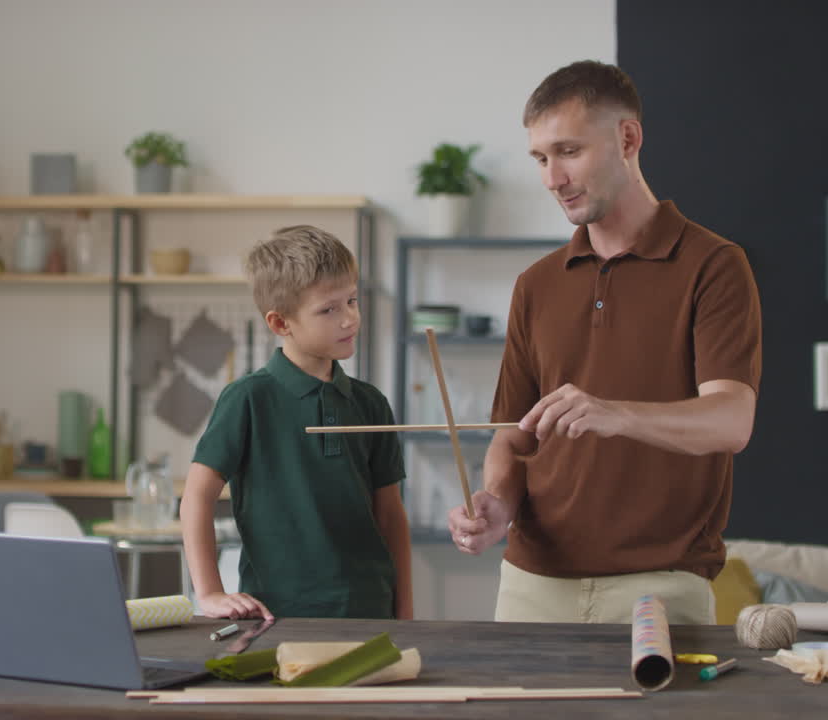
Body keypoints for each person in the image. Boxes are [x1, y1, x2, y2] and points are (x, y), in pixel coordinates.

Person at [447, 60, 762, 625]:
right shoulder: (536, 284)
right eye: (541, 158)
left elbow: (731, 421)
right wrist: (497, 507)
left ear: (628, 138)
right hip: (531, 586)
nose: (552, 178)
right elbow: (512, 439)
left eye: (568, 152)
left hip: (660, 590)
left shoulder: (715, 266)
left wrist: (614, 414)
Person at [182, 225, 413, 620]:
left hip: (370, 612)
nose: (349, 319)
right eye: (328, 309)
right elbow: (196, 499)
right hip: (275, 615)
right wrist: (209, 594)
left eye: (352, 301)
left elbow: (390, 515)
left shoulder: (371, 403)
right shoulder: (247, 399)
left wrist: (405, 613)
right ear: (280, 323)